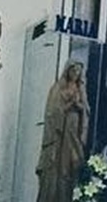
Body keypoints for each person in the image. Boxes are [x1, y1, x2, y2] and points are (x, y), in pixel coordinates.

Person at [36, 60, 88, 202]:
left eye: (78, 71)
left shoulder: (81, 89)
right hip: (59, 131)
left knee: (71, 164)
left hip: (74, 130)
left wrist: (79, 106)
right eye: (73, 70)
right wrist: (68, 105)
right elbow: (52, 112)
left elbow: (85, 111)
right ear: (68, 70)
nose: (75, 73)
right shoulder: (58, 88)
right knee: (56, 166)